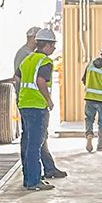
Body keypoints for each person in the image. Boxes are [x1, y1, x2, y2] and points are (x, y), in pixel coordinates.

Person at [16, 28, 67, 191]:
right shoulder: (45, 61)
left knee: (27, 142)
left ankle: (28, 178)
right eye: (53, 45)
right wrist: (49, 100)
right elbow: (40, 81)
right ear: (47, 45)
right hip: (37, 107)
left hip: (24, 105)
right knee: (35, 145)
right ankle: (34, 181)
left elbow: (16, 78)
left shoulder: (27, 59)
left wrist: (22, 96)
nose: (53, 49)